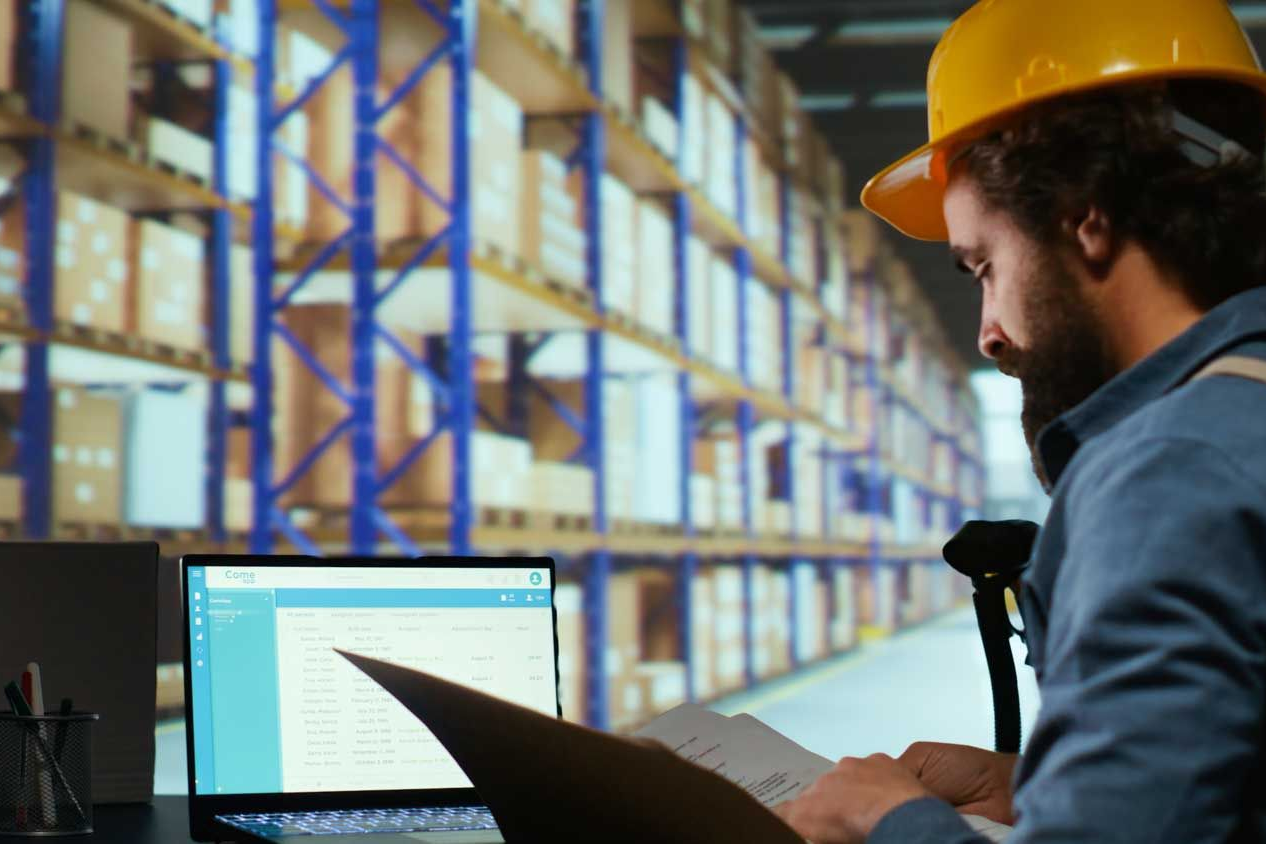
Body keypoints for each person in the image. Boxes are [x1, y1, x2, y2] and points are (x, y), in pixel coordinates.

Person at [773, 0, 1266, 841]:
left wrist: (887, 823)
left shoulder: (1169, 474)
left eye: (984, 266)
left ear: (1086, 218)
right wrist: (1038, 781)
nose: (989, 332)